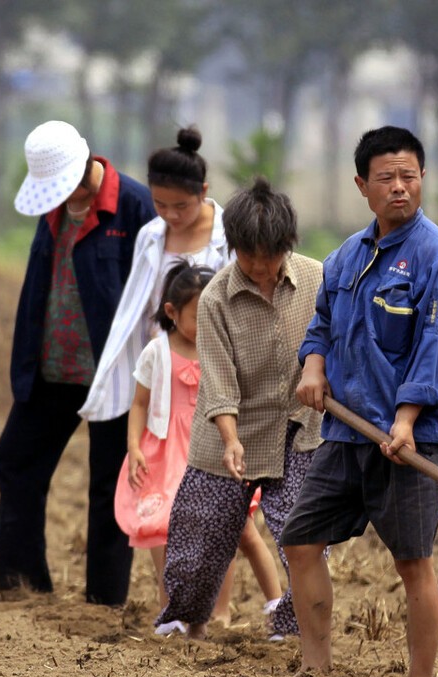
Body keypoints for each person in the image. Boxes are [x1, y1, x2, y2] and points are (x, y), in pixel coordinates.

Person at [283, 126, 438, 677]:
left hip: (413, 436)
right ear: (362, 184)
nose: (399, 188)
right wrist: (313, 367)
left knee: (412, 561)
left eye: (409, 176)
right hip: (349, 431)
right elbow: (321, 325)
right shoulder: (346, 257)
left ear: (423, 179)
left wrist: (406, 421)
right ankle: (316, 668)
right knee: (300, 537)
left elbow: (437, 348)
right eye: (386, 178)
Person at [84, 125, 277, 624]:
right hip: (170, 378)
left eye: (180, 207)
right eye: (160, 204)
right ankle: (174, 606)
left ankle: (221, 609)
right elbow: (135, 308)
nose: (169, 215)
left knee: (222, 513)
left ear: (203, 196)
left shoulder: (227, 240)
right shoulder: (150, 235)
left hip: (218, 381)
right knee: (165, 511)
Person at [0, 120, 155, 606]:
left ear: (85, 172)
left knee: (109, 484)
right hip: (50, 369)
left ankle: (104, 601)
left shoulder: (135, 206)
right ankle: (21, 583)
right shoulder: (51, 210)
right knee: (15, 459)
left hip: (113, 376)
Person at [155, 178, 324, 641]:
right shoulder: (214, 300)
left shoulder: (316, 278)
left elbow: (331, 342)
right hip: (229, 430)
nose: (261, 267)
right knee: (201, 538)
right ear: (233, 248)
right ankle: (185, 618)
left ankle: (294, 627)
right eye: (249, 257)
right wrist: (231, 440)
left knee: (303, 535)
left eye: (270, 256)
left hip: (298, 428)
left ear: (287, 246)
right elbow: (219, 379)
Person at [113, 261, 283, 623]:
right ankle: (172, 612)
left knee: (237, 530)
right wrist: (134, 448)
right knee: (165, 531)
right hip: (167, 453)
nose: (207, 325)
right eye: (199, 316)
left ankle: (263, 606)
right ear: (172, 312)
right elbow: (139, 405)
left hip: (214, 446)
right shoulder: (155, 354)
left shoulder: (221, 350)